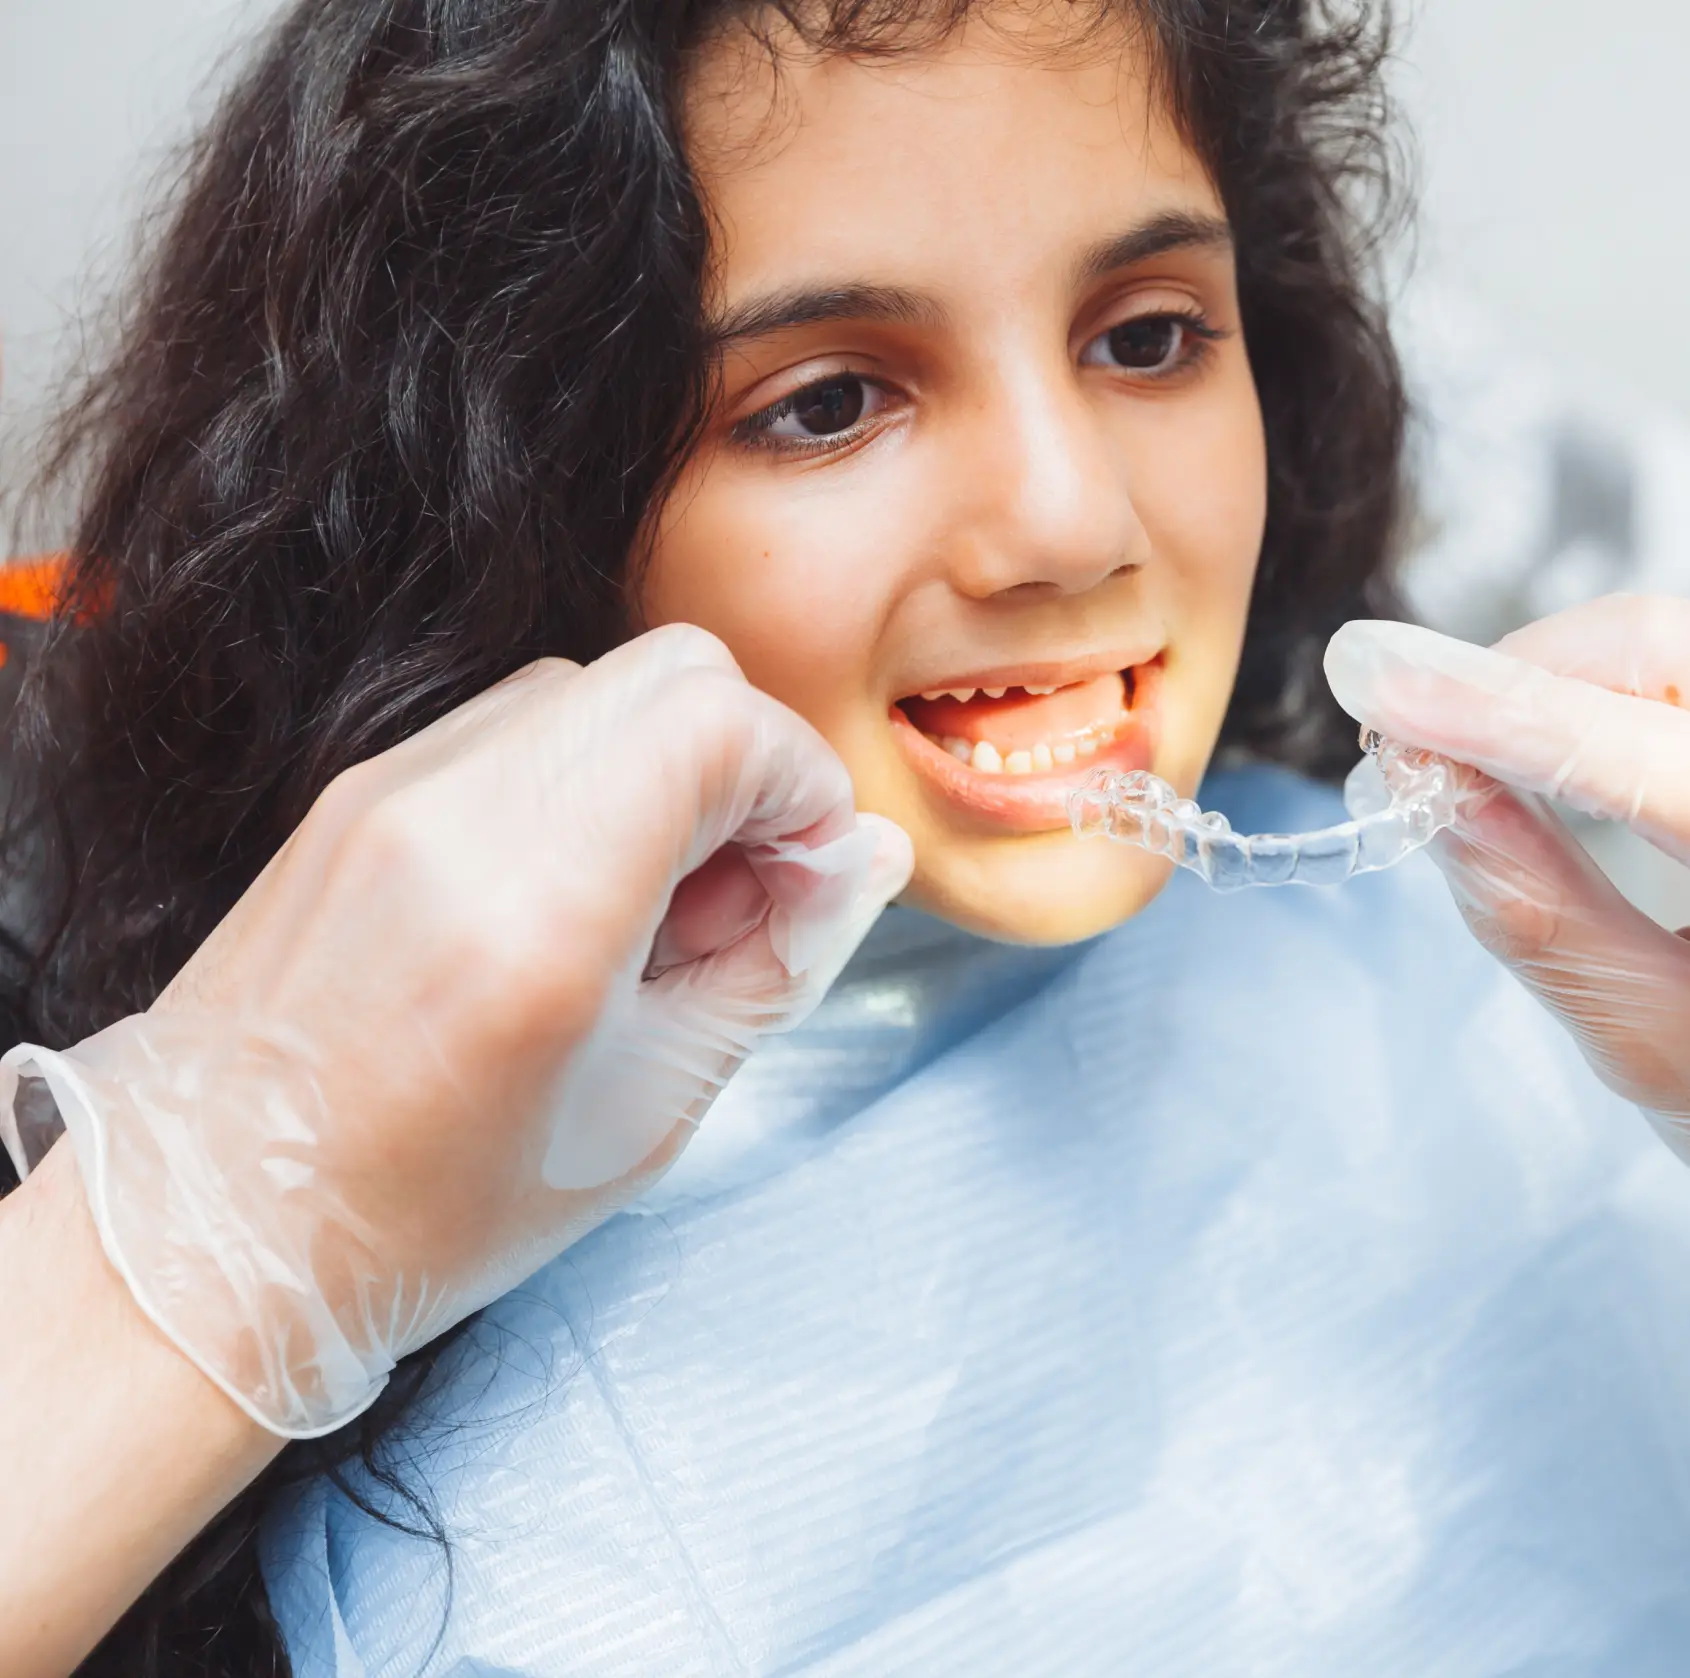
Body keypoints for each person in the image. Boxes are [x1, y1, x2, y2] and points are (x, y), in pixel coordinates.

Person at [4, 1, 1690, 1674]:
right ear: (507, 497)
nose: (1068, 518)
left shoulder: (1476, 976)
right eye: (824, 404)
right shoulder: (309, 1216)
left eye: (1149, 336)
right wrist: (205, 1261)